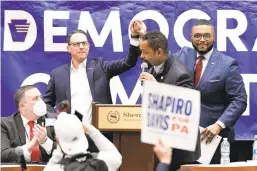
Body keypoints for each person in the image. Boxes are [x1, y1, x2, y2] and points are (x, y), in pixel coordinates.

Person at [173, 19, 247, 163]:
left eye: (207, 36)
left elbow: (239, 100)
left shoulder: (227, 64)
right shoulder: (182, 55)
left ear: (214, 36)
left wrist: (219, 125)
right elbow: (160, 57)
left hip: (213, 140)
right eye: (197, 36)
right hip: (184, 139)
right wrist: (140, 36)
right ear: (191, 37)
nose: (202, 40)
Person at [43, 20, 145, 124]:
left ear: (88, 46)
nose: (81, 47)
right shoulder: (58, 74)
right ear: (68, 48)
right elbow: (46, 104)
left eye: (84, 43)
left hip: (99, 133)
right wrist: (56, 122)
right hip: (70, 135)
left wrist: (134, 37)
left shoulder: (100, 66)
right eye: (77, 44)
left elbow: (129, 62)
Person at [139, 30, 201, 171]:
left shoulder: (181, 74)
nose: (142, 56)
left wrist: (156, 88)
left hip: (180, 151)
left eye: (145, 52)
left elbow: (185, 113)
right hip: (165, 146)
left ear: (159, 52)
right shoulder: (156, 67)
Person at [44, 112, 122, 171]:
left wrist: (58, 152)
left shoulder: (57, 168)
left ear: (57, 140)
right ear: (83, 131)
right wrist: (92, 131)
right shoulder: (104, 160)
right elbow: (116, 156)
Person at [1, 85, 56, 163]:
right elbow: (2, 155)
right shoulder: (4, 124)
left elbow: (65, 151)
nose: (41, 102)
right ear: (23, 106)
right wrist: (30, 146)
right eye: (36, 98)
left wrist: (45, 141)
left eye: (40, 97)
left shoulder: (54, 120)